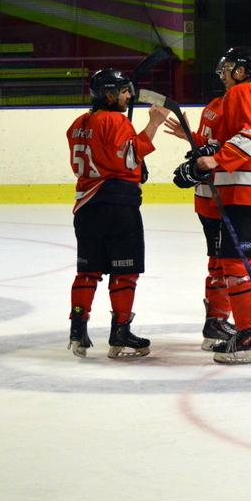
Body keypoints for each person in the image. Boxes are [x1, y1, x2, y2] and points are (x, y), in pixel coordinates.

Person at [176, 47, 251, 363]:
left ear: (242, 71)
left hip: (243, 191)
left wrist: (216, 159)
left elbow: (250, 138)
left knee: (235, 266)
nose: (224, 73)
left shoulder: (241, 92)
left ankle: (246, 338)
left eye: (228, 67)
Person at [66, 68, 169, 358]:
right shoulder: (115, 120)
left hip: (86, 207)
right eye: (123, 91)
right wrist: (153, 125)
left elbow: (106, 156)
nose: (128, 96)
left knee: (87, 271)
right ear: (108, 94)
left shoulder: (77, 124)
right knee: (125, 271)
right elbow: (129, 157)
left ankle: (77, 330)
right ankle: (120, 331)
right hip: (118, 205)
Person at [164, 89, 236, 351]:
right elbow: (220, 149)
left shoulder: (214, 104)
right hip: (219, 196)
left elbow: (208, 145)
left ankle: (216, 321)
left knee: (220, 261)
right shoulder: (228, 106)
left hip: (208, 196)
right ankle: (216, 322)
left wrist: (191, 137)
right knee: (222, 263)